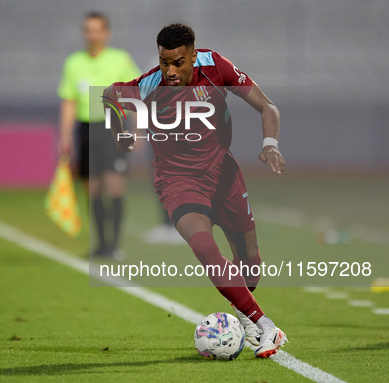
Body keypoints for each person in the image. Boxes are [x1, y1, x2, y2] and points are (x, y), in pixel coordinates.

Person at [104, 23, 288, 358]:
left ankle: (244, 315)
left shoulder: (215, 66)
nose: (170, 71)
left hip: (223, 176)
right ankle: (265, 325)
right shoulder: (149, 85)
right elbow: (109, 96)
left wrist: (271, 144)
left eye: (178, 62)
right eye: (164, 62)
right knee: (204, 245)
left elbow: (267, 106)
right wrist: (118, 131)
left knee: (250, 261)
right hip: (177, 181)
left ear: (192, 55)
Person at [57, 11, 140, 259]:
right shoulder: (74, 63)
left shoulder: (120, 60)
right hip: (86, 130)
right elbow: (69, 101)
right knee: (91, 188)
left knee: (114, 186)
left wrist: (137, 131)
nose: (93, 34)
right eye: (88, 29)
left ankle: (114, 245)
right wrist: (65, 137)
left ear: (107, 33)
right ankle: (100, 244)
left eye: (97, 29)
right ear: (84, 33)